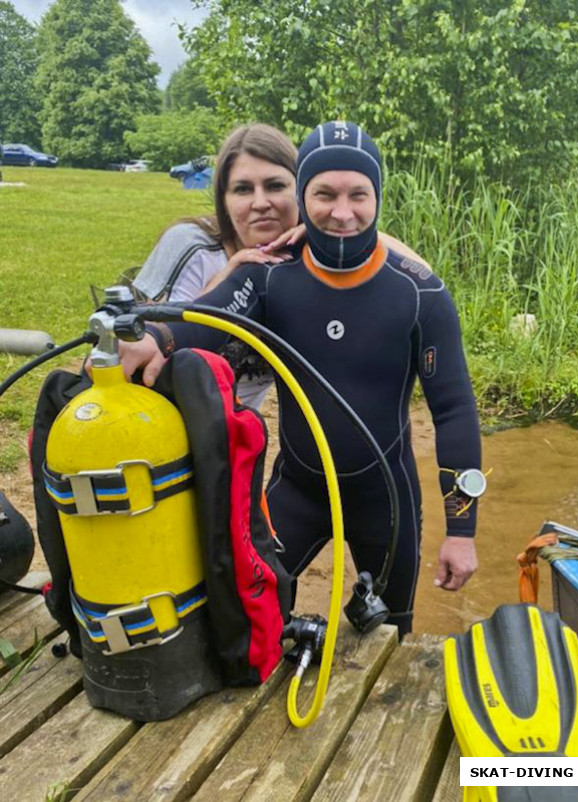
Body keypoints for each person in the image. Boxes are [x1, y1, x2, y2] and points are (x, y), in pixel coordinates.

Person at [118, 121, 481, 637]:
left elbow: (454, 410)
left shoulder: (418, 292)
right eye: (324, 194)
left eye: (359, 194)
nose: (342, 211)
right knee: (254, 621)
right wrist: (154, 336)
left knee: (392, 637)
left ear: (377, 196)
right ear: (304, 196)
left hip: (388, 499)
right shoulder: (268, 273)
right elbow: (207, 319)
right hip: (298, 490)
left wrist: (462, 532)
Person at [131, 123, 428, 408]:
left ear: (303, 193)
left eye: (275, 186)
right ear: (224, 199)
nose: (260, 202)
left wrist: (338, 234)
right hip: (162, 424)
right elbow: (148, 346)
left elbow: (424, 278)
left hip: (236, 436)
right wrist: (229, 278)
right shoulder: (191, 245)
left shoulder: (308, 260)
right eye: (243, 189)